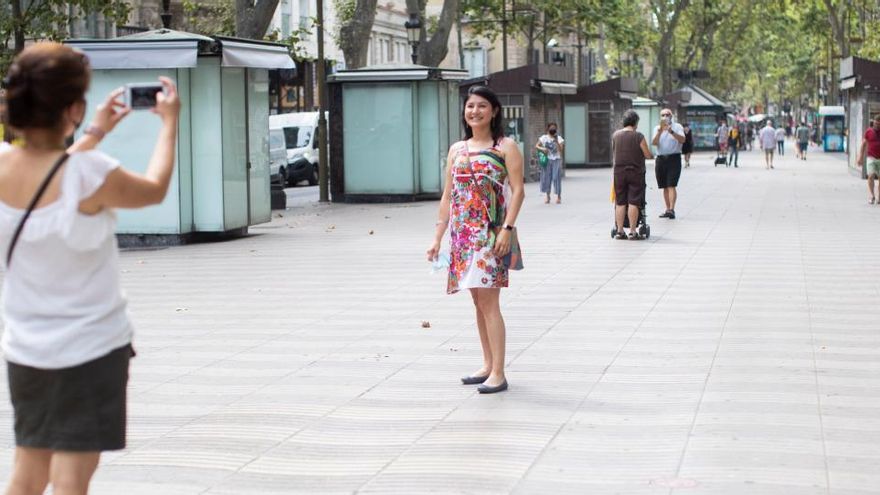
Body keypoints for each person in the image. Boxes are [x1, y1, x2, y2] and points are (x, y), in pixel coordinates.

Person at [0, 42, 180, 495]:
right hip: (91, 349)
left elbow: (49, 171)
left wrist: (94, 130)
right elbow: (154, 188)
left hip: (26, 349)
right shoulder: (90, 174)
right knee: (72, 477)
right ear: (73, 107)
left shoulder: (5, 165)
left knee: (29, 467)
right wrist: (169, 124)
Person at [426, 85, 525, 394]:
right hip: (462, 236)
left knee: (489, 301)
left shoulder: (505, 146)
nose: (475, 111)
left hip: (491, 235)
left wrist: (507, 229)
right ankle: (486, 363)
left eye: (482, 106)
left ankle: (499, 371)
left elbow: (519, 191)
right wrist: (438, 237)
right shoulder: (457, 149)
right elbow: (448, 195)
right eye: (470, 106)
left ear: (494, 111)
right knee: (476, 300)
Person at [612, 110, 653, 240]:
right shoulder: (639, 136)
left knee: (620, 201)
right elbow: (647, 155)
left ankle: (619, 231)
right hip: (635, 172)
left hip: (619, 172)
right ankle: (633, 232)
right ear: (635, 122)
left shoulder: (616, 135)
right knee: (634, 201)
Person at [652, 108, 685, 219]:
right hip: (661, 159)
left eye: (667, 115)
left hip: (674, 158)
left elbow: (682, 140)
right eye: (663, 115)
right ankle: (667, 209)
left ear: (672, 116)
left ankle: (672, 209)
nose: (665, 117)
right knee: (664, 186)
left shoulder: (677, 127)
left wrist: (671, 132)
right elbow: (654, 143)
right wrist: (660, 132)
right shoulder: (657, 128)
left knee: (671, 185)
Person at [535, 122, 564, 204]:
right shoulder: (544, 138)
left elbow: (561, 150)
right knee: (547, 178)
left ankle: (558, 196)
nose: (552, 130)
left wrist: (556, 141)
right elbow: (536, 146)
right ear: (547, 129)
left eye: (554, 128)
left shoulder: (559, 138)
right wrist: (542, 149)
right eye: (551, 128)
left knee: (556, 178)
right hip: (547, 160)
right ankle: (548, 196)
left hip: (556, 160)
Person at [857, 115, 880, 204]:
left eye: (879, 123)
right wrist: (860, 157)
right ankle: (872, 195)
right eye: (876, 122)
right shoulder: (869, 131)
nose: (877, 124)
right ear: (873, 121)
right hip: (871, 157)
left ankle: (879, 196)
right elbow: (863, 145)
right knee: (870, 176)